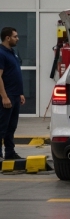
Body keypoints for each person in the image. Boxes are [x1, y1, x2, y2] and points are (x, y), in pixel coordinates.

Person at [0, 27, 25, 161]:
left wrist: (20, 93)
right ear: (7, 38)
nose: (17, 38)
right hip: (6, 96)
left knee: (11, 127)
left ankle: (10, 153)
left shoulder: (12, 52)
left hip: (15, 95)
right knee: (1, 126)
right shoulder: (1, 53)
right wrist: (4, 96)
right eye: (15, 36)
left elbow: (14, 73)